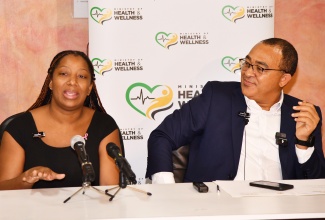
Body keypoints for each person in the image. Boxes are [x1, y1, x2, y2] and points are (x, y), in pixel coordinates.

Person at [146, 38, 325, 184]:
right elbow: (162, 136)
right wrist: (168, 191)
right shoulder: (216, 98)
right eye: (247, 63)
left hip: (280, 211)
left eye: (260, 68)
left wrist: (303, 144)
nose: (247, 73)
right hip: (219, 208)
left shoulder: (302, 114)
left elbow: (317, 182)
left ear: (284, 79)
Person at [0, 50, 123, 190]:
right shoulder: (19, 128)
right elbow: (3, 191)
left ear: (89, 88)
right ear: (51, 82)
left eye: (81, 76)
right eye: (64, 74)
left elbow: (110, 190)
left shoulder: (104, 126)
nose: (72, 82)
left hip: (87, 211)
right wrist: (26, 179)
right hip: (33, 211)